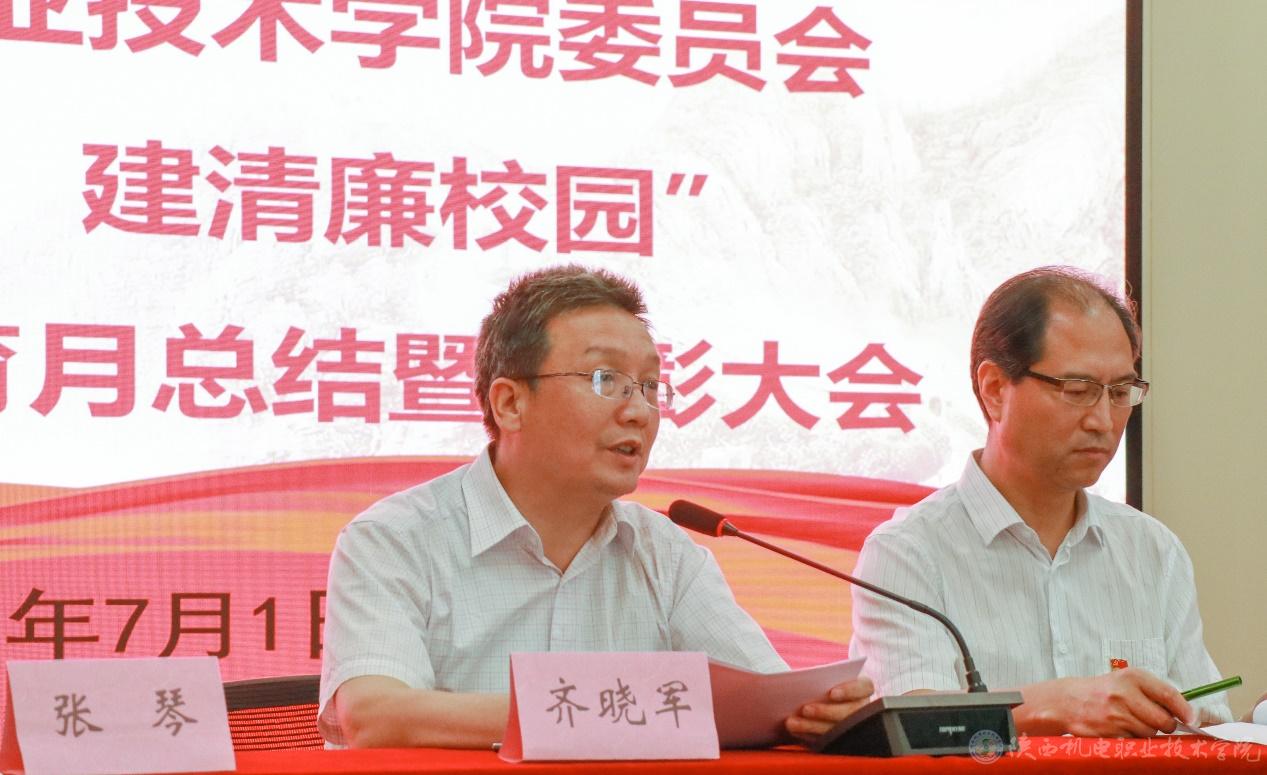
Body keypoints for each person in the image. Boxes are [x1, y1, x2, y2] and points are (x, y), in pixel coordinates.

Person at [319, 265, 873, 748]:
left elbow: (769, 703)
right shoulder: (394, 539)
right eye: (606, 379)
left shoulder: (666, 554)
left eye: (650, 385)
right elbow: (376, 715)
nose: (639, 411)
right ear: (510, 404)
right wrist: (610, 711)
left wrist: (820, 713)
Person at [850, 265, 1234, 737]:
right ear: (994, 389)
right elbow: (914, 727)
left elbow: (1208, 721)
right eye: (1078, 391)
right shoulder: (907, 553)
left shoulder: (1153, 551)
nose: (1103, 421)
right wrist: (1057, 704)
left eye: (1120, 393)